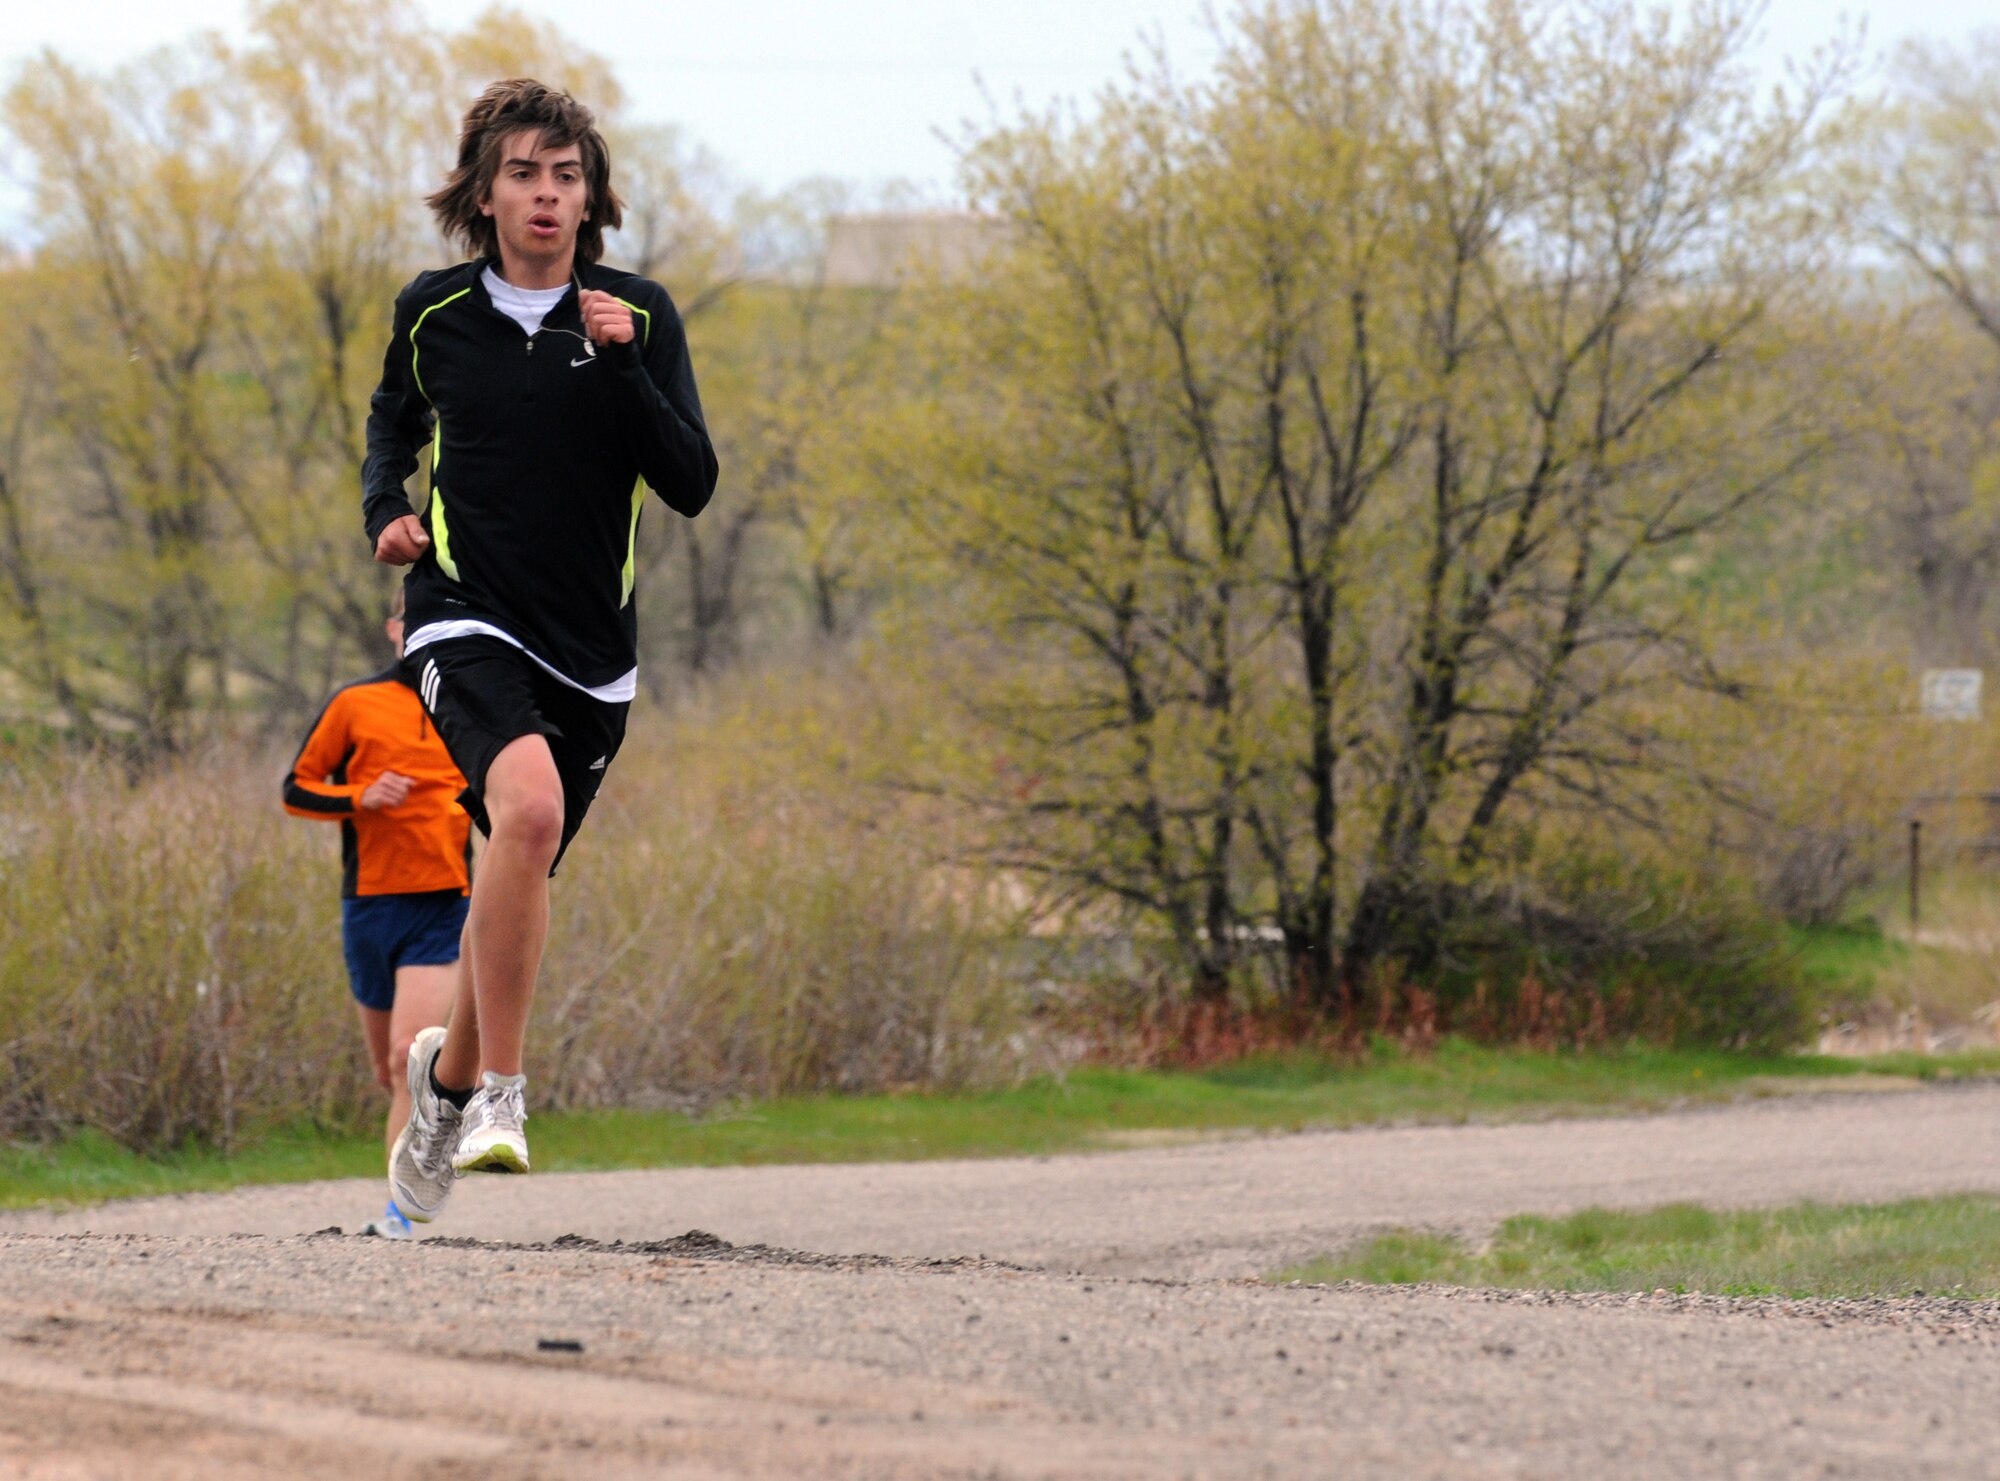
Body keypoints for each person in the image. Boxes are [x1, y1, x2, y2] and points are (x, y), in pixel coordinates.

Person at [361, 78, 718, 1222]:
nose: (547, 194)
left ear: (591, 194)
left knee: (511, 876)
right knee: (522, 813)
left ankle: (445, 1081)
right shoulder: (436, 314)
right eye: (523, 172)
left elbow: (691, 484)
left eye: (566, 174)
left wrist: (619, 365)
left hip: (590, 654)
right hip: (460, 612)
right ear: (483, 191)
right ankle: (504, 1091)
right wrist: (386, 505)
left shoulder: (637, 315)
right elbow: (392, 423)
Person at [282, 587, 472, 1239]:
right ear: (396, 627)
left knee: (405, 1061)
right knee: (382, 1069)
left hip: (445, 904)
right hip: (369, 904)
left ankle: (400, 1214)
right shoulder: (355, 704)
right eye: (414, 620)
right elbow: (296, 788)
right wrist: (362, 796)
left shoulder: (472, 703)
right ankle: (413, 1169)